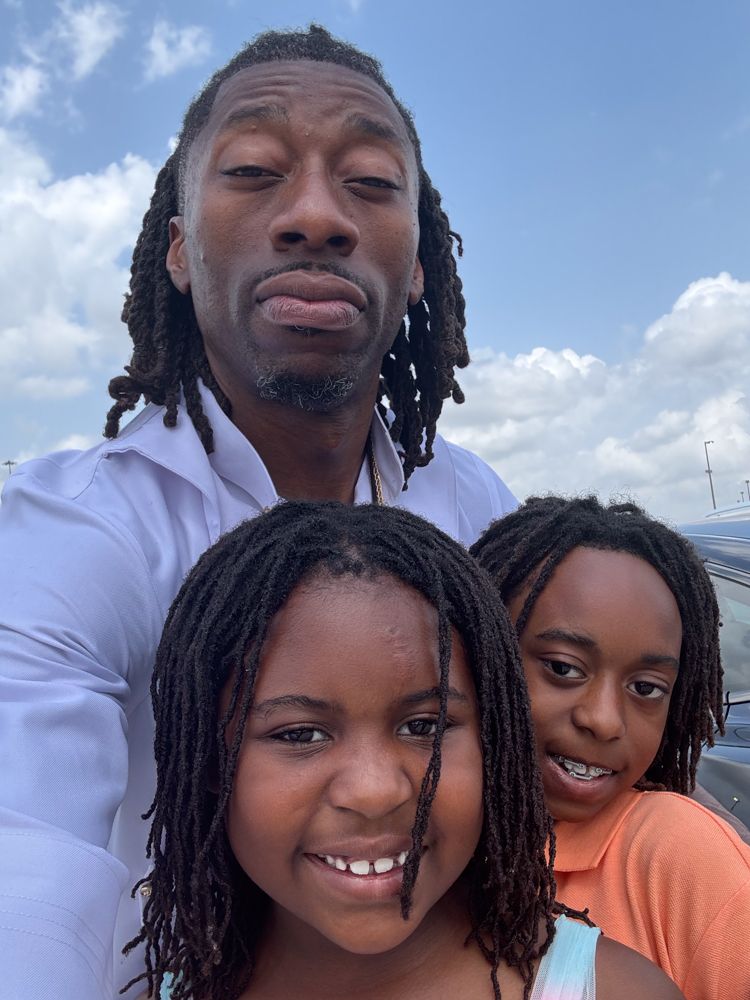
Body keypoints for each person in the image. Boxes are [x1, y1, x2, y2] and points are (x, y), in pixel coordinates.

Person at [0, 25, 516, 1000]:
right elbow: (24, 852)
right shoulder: (76, 530)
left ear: (417, 267)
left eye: (368, 181)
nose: (316, 215)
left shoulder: (478, 510)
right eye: (253, 170)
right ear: (182, 253)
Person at [129, 501, 682, 1000]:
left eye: (425, 725)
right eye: (300, 734)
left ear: (498, 743)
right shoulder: (179, 986)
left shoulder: (609, 990)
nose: (375, 792)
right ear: (207, 763)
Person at [471, 495, 750, 1000]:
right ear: (482, 653)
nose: (602, 720)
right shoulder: (422, 846)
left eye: (645, 688)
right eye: (562, 667)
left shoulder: (684, 860)